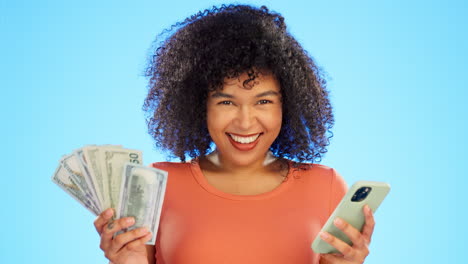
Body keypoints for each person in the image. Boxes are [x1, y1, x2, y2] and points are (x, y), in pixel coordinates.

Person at [93, 4, 375, 264]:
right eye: (226, 102)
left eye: (263, 101)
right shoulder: (155, 185)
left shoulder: (326, 187)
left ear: (286, 104)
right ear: (198, 104)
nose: (245, 122)